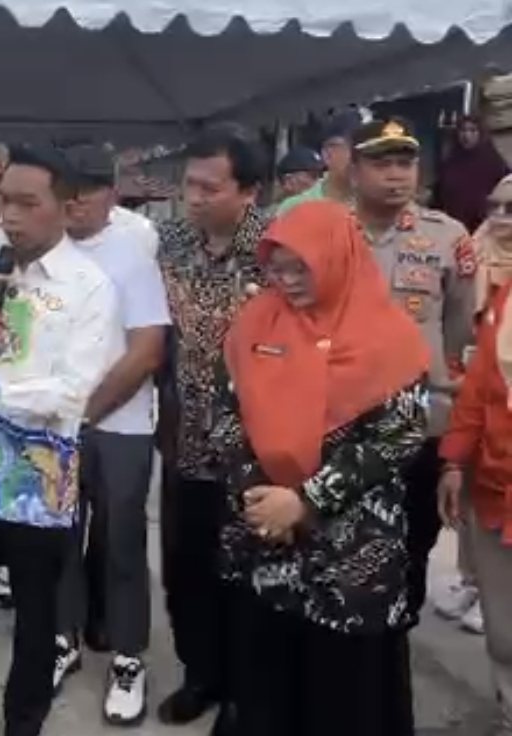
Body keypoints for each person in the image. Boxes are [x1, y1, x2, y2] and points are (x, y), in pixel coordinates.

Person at [0, 144, 122, 736]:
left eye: (27, 203)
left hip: (40, 478)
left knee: (38, 618)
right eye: (4, 200)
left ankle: (23, 722)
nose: (9, 215)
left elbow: (76, 390)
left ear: (66, 205)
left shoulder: (90, 286)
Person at [218, 200, 428, 736]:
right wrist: (258, 495)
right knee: (269, 676)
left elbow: (398, 437)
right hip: (268, 537)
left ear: (337, 261)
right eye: (277, 268)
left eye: (301, 268)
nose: (287, 281)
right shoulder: (256, 322)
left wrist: (305, 501)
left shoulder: (390, 335)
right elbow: (227, 414)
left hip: (351, 548)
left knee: (343, 693)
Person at [52, 144, 170, 726]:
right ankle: (62, 636)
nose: (75, 201)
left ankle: (127, 657)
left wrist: (88, 411)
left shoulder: (132, 257)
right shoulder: (41, 255)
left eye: (87, 189)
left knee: (122, 542)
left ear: (111, 194)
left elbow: (146, 351)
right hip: (52, 424)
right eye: (67, 190)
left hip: (120, 425)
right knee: (58, 538)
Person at [155, 124, 269, 726]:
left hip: (256, 449)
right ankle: (201, 674)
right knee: (186, 567)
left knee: (246, 574)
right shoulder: (169, 241)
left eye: (209, 187)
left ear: (248, 191)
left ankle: (244, 692)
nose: (194, 197)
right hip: (184, 440)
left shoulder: (276, 250)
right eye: (189, 184)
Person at [350, 117, 476, 627]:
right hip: (344, 422)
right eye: (382, 163)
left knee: (412, 546)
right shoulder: (328, 231)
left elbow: (459, 331)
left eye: (405, 163)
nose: (396, 174)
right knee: (345, 548)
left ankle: (395, 640)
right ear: (354, 171)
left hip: (419, 424)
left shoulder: (447, 237)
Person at [431, 175, 512, 634]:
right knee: (472, 500)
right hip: (476, 394)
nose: (500, 219)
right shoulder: (474, 253)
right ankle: (475, 580)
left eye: (511, 210)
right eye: (494, 207)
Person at [438, 271, 512, 733]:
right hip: (493, 490)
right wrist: (454, 461)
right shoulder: (504, 303)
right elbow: (478, 390)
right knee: (503, 631)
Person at [277, 109, 364, 215]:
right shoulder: (295, 208)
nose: (363, 158)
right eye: (354, 148)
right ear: (328, 155)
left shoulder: (376, 204)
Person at [433, 115, 510, 234]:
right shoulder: (450, 163)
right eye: (463, 130)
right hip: (453, 229)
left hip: (485, 230)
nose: (467, 135)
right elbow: (438, 197)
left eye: (473, 130)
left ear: (481, 134)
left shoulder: (494, 163)